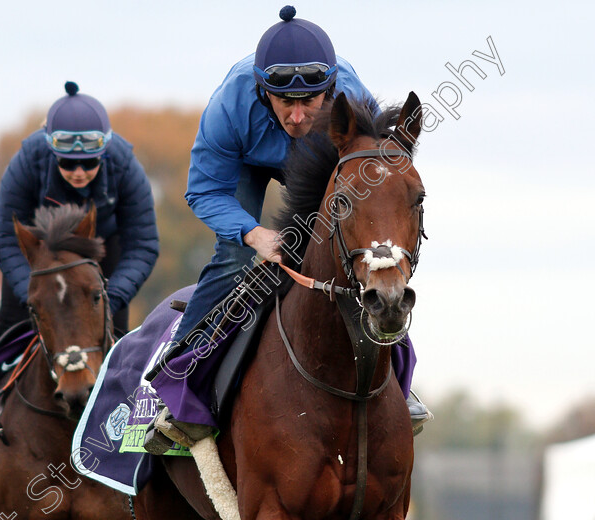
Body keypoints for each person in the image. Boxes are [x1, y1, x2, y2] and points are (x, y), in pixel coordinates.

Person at [144, 6, 431, 454]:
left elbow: (374, 192)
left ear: (332, 92)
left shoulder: (354, 102)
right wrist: (255, 235)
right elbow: (203, 191)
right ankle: (180, 380)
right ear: (262, 91)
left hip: (327, 160)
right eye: (284, 102)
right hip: (247, 165)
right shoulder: (230, 106)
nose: (297, 117)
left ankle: (399, 382)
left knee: (360, 259)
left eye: (310, 102)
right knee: (239, 257)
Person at [0, 81, 159, 369]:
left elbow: (143, 244)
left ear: (104, 151)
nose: (79, 172)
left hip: (101, 251)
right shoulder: (26, 161)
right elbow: (7, 238)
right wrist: (33, 294)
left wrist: (109, 298)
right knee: (7, 325)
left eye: (89, 162)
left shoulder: (126, 165)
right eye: (68, 163)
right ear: (52, 152)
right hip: (41, 257)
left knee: (116, 335)